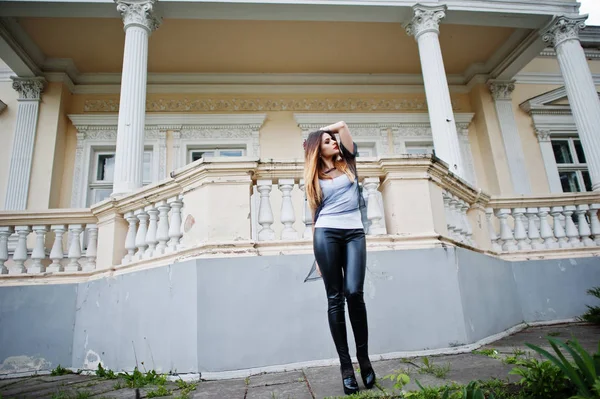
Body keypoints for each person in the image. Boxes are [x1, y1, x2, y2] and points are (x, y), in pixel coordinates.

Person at [303, 121, 376, 395]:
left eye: (332, 139)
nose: (333, 141)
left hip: (354, 232)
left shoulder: (349, 161)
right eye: (326, 141)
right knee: (335, 299)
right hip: (326, 235)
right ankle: (346, 368)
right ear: (317, 150)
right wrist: (316, 254)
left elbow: (343, 125)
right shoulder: (313, 176)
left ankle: (364, 360)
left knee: (354, 293)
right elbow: (314, 217)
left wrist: (319, 132)